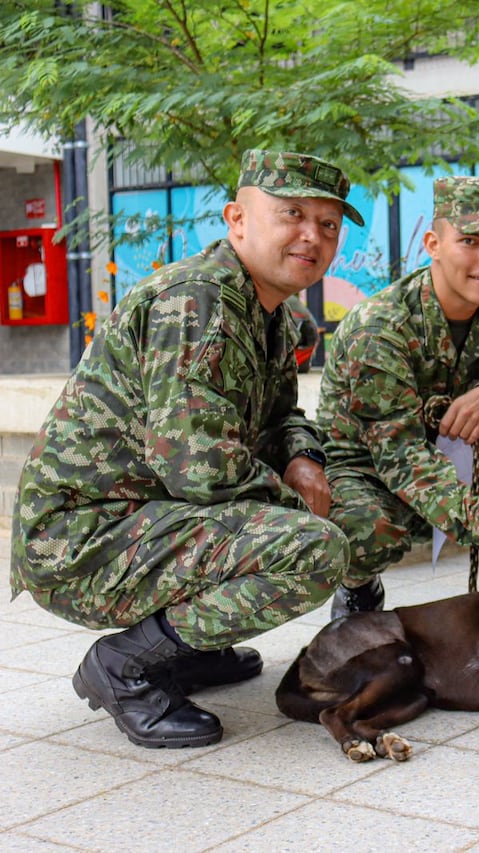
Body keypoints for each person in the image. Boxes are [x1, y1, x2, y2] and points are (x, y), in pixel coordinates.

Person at [9, 148, 357, 748]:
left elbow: (281, 415)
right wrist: (299, 507)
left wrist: (303, 458)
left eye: (328, 224)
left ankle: (188, 648)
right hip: (81, 539)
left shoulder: (271, 312)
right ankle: (123, 666)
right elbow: (199, 467)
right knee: (314, 549)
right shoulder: (197, 300)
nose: (312, 236)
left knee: (329, 506)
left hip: (145, 519)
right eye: (293, 214)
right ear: (238, 219)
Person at [319, 175, 479, 617]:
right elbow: (402, 458)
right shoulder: (380, 327)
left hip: (468, 458)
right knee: (363, 531)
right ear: (433, 244)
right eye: (471, 241)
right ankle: (359, 587)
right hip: (375, 470)